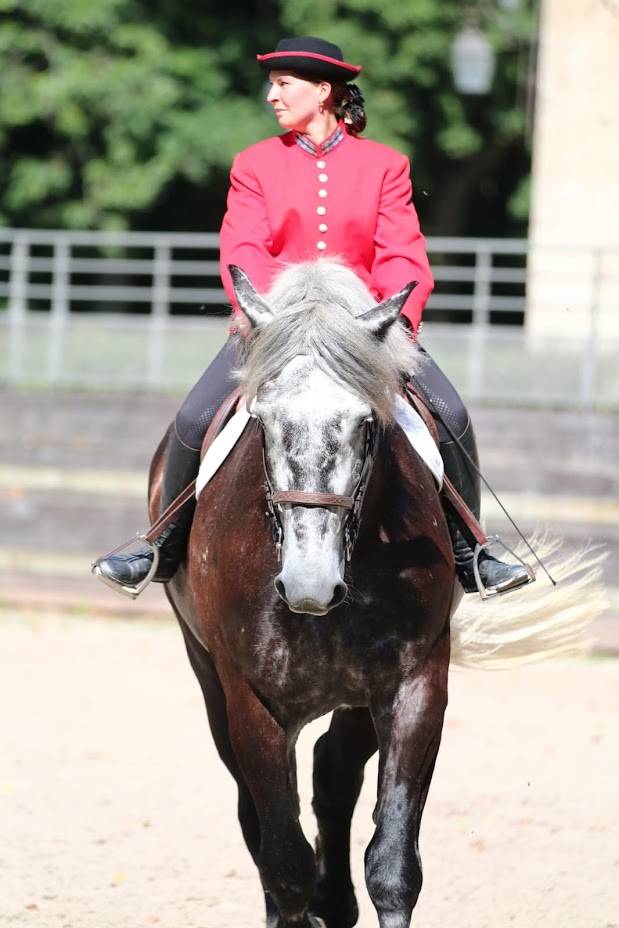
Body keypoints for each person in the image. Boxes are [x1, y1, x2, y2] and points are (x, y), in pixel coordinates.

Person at [94, 36, 529, 597]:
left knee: (449, 411)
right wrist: (262, 315)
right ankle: (161, 544)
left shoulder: (385, 166)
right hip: (277, 327)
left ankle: (472, 554)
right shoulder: (254, 164)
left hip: (363, 331)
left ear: (323, 92)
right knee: (194, 418)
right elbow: (243, 248)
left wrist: (393, 321)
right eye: (272, 84)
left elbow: (402, 253)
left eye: (283, 84)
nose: (271, 95)